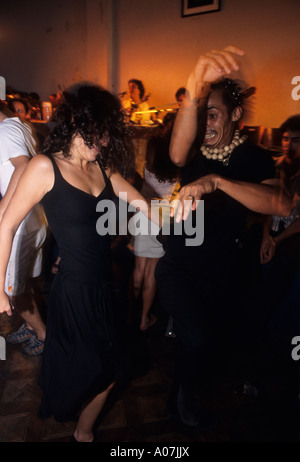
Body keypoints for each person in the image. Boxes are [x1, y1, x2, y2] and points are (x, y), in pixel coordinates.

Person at [0, 84, 152, 442]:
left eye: (106, 133)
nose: (101, 140)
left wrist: (178, 211)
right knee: (95, 365)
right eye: (95, 130)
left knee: (116, 366)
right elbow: (6, 224)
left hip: (105, 287)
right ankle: (75, 419)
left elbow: (147, 208)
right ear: (75, 121)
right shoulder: (44, 167)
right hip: (73, 290)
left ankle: (84, 432)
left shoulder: (103, 168)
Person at [154, 45, 292, 428]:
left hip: (223, 271)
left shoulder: (254, 158)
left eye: (213, 114)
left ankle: (186, 383)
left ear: (234, 115)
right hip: (179, 264)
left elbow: (280, 204)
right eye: (202, 114)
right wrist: (193, 84)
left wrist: (217, 182)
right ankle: (183, 392)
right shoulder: (195, 147)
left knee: (207, 340)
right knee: (196, 338)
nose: (207, 122)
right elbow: (178, 156)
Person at [0, 100, 47, 356]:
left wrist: (3, 209)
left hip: (18, 223)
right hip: (32, 218)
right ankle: (31, 326)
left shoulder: (4, 130)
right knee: (21, 283)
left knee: (12, 289)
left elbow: (23, 166)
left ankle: (42, 334)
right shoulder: (20, 126)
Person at [133, 112, 180, 331]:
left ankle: (131, 312)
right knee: (152, 269)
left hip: (145, 208)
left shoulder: (152, 146)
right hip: (163, 214)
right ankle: (143, 318)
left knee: (139, 266)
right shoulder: (178, 153)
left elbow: (143, 175)